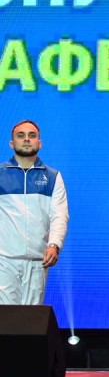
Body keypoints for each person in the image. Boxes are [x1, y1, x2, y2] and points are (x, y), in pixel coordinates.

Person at [0, 120, 69, 305]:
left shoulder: (53, 176)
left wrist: (54, 245)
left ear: (40, 142)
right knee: (5, 316)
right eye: (20, 135)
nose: (26, 139)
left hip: (38, 260)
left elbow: (59, 216)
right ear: (11, 143)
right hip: (4, 260)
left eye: (32, 135)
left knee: (31, 318)